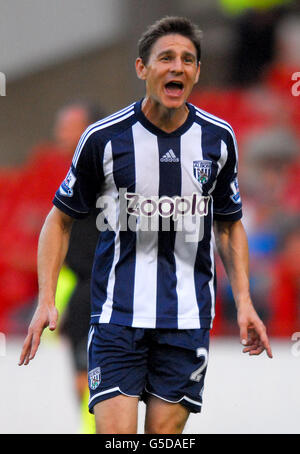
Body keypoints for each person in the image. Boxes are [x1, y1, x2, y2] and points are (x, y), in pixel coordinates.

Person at [19, 16, 273, 434]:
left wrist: (244, 301)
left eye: (188, 60)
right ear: (142, 68)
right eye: (166, 58)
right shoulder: (103, 138)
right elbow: (58, 220)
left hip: (187, 321)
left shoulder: (218, 139)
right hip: (117, 318)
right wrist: (46, 297)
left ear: (197, 72)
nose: (178, 67)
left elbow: (229, 225)